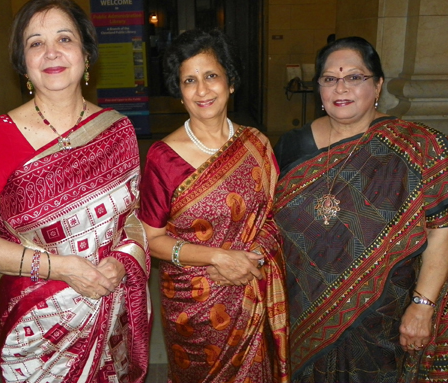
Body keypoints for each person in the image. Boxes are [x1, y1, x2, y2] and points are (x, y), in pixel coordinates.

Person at [0, 0, 150, 383]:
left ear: (85, 52)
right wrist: (61, 268)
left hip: (110, 308)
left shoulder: (118, 129)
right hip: (37, 324)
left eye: (64, 38)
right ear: (22, 63)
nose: (51, 52)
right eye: (35, 43)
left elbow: (134, 220)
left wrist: (121, 261)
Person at [273, 36, 448, 382]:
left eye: (355, 77)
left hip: (382, 313)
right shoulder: (291, 145)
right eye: (329, 78)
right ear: (319, 88)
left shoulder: (417, 147)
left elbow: (439, 230)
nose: (341, 88)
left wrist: (422, 306)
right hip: (303, 306)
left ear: (378, 84)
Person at [139, 28, 289, 383]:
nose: (202, 90)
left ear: (231, 82)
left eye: (211, 76)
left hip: (251, 291)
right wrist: (218, 258)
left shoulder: (257, 145)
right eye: (189, 81)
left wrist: (249, 258)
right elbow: (152, 238)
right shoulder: (163, 157)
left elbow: (275, 216)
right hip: (194, 309)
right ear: (180, 93)